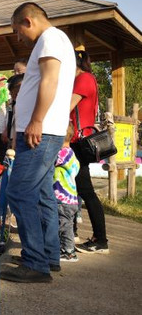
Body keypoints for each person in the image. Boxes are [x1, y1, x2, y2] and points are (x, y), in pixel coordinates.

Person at [0, 2, 76, 283]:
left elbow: (49, 81)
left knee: (19, 192)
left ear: (28, 21)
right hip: (44, 130)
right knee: (42, 194)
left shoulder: (50, 39)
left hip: (41, 131)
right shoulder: (53, 40)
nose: (18, 37)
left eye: (17, 30)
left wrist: (36, 120)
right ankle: (47, 255)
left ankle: (36, 263)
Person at [69, 47, 109, 254]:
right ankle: (74, 232)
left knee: (85, 191)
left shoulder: (84, 79)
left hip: (78, 141)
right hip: (76, 140)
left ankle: (100, 239)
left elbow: (67, 106)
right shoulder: (82, 79)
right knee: (75, 188)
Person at [53, 123, 80, 262]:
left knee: (62, 226)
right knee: (66, 224)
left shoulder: (62, 153)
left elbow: (52, 162)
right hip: (71, 198)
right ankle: (66, 249)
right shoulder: (72, 153)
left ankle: (69, 252)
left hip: (62, 198)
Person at [2, 74, 25, 149]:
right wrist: (6, 129)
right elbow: (7, 116)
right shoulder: (9, 102)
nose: (9, 93)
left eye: (11, 91)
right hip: (11, 133)